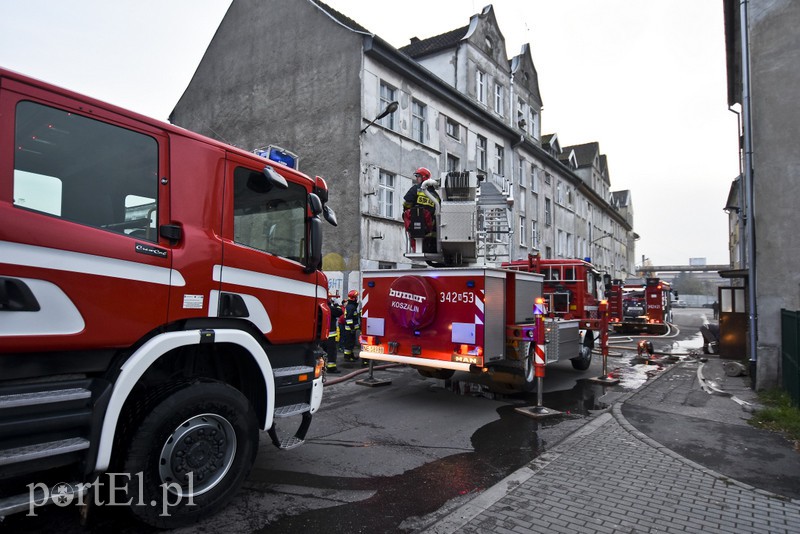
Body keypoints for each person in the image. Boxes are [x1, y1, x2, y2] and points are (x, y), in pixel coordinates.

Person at [403, 167, 440, 253]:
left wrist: (406, 214)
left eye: (418, 176)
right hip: (430, 229)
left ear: (424, 177)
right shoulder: (436, 196)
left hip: (416, 226)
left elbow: (406, 203)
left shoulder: (415, 189)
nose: (416, 178)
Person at [324, 293, 343, 373]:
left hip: (321, 335)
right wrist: (336, 304)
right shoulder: (330, 308)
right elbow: (340, 312)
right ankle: (331, 368)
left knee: (323, 351)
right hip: (330, 335)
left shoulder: (320, 307)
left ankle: (323, 366)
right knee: (331, 351)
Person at [340, 289, 361, 363]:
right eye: (356, 297)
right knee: (348, 344)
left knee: (351, 343)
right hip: (349, 329)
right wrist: (352, 328)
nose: (357, 298)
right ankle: (347, 357)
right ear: (354, 298)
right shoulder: (351, 307)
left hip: (350, 329)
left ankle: (351, 355)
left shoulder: (351, 306)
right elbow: (349, 319)